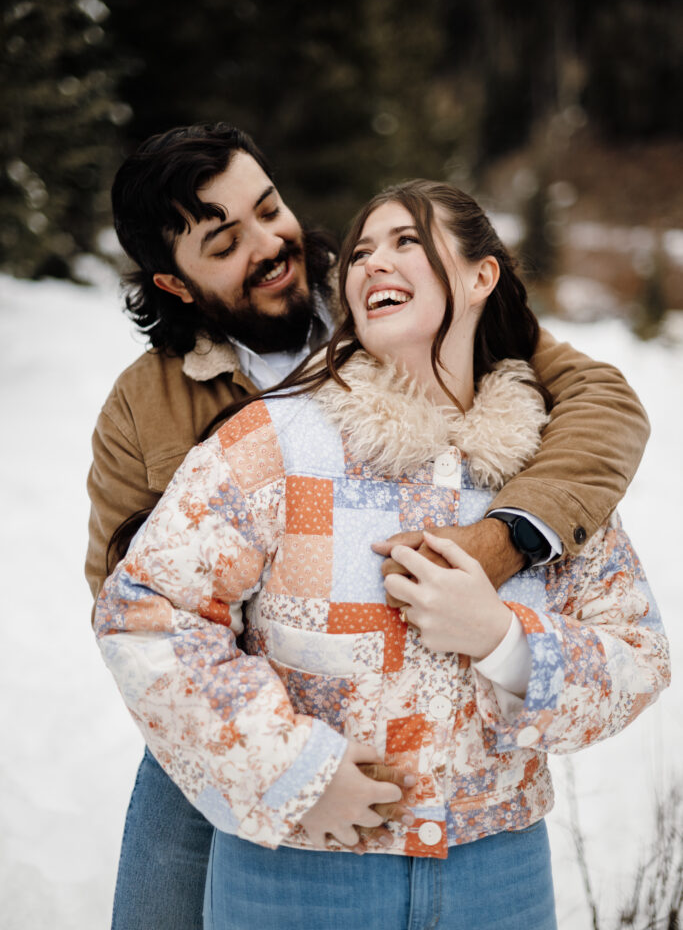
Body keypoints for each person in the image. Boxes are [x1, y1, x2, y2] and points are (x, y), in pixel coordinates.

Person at [88, 123, 650, 929]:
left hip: (481, 830)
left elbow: (602, 406)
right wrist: (283, 760)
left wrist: (505, 548)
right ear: (175, 284)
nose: (270, 244)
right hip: (238, 721)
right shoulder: (160, 409)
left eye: (269, 209)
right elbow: (135, 599)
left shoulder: (407, 307)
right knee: (159, 906)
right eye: (225, 242)